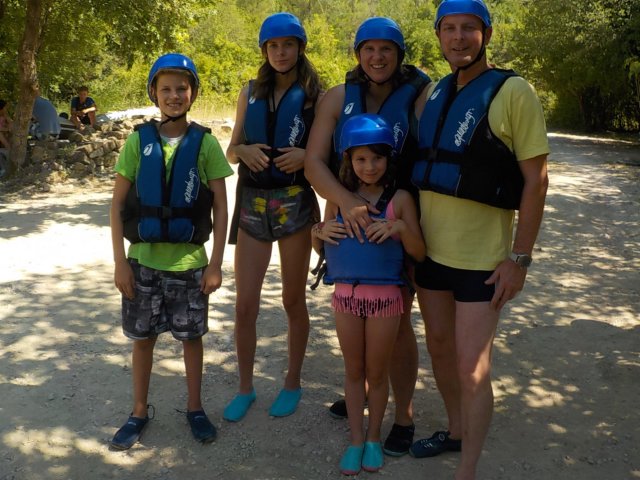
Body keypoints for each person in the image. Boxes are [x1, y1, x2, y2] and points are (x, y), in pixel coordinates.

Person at [408, 1, 550, 478]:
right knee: (440, 349)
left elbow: (536, 181)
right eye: (448, 28)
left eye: (469, 28)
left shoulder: (514, 91)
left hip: (482, 261)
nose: (458, 37)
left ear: (486, 34)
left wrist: (519, 259)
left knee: (472, 366)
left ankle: (466, 470)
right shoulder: (434, 91)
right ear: (438, 35)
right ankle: (455, 430)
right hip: (430, 254)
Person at [304, 16, 431, 456]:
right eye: (369, 49)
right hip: (349, 203)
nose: (377, 57)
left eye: (386, 49)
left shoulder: (420, 96)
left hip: (399, 209)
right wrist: (345, 201)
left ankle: (403, 415)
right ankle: (361, 392)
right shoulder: (338, 97)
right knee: (360, 324)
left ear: (399, 55)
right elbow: (314, 162)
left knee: (399, 321)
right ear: (358, 54)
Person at [109, 53, 232, 450]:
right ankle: (138, 411)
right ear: (154, 93)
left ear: (192, 92)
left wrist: (216, 264)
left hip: (189, 264)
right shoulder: (137, 141)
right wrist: (120, 263)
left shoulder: (205, 143)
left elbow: (220, 206)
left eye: (182, 88)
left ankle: (195, 408)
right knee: (142, 339)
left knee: (190, 338)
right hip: (142, 263)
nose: (174, 95)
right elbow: (117, 205)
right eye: (166, 89)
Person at [312, 114, 425, 475]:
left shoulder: (400, 199)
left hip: (386, 300)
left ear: (389, 158)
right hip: (346, 297)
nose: (370, 166)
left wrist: (400, 227)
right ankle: (356, 441)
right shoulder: (338, 199)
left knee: (377, 374)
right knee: (353, 371)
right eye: (361, 159)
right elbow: (322, 246)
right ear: (348, 160)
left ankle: (374, 438)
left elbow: (419, 252)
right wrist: (317, 231)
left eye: (377, 158)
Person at [223, 12, 322, 422]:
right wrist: (243, 150)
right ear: (264, 50)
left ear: (300, 48)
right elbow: (231, 151)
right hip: (253, 203)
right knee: (244, 305)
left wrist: (307, 156)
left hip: (295, 202)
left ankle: (292, 382)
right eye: (273, 46)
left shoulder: (317, 95)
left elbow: (330, 155)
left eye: (288, 45)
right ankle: (245, 388)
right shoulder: (249, 92)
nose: (280, 53)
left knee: (292, 300)